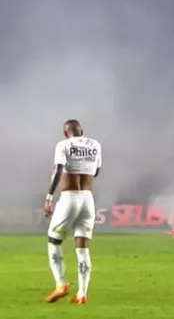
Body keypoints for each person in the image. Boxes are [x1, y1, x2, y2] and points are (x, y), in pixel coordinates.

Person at [44, 120, 102, 305]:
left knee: (53, 242)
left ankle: (61, 285)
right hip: (88, 199)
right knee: (83, 248)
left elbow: (58, 169)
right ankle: (82, 294)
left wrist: (49, 197)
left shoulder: (63, 145)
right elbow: (97, 171)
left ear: (65, 133)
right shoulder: (95, 144)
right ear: (82, 131)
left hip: (70, 198)